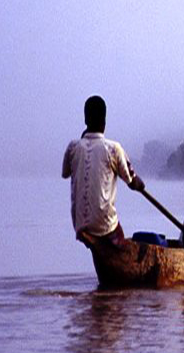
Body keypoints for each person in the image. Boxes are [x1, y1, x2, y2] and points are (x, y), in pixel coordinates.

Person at [62, 96, 145, 245]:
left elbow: (65, 173)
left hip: (80, 226)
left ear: (85, 120)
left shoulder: (73, 147)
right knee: (121, 240)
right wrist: (139, 184)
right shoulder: (113, 148)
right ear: (104, 121)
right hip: (105, 227)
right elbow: (132, 182)